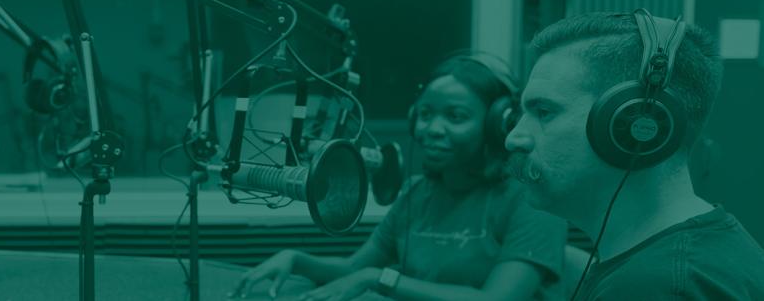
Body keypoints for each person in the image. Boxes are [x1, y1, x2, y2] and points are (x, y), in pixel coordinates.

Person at [231, 53, 569, 300]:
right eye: (425, 114)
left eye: (456, 116)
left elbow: (498, 300)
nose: (433, 128)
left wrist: (381, 279)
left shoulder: (531, 200)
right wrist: (296, 258)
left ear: (499, 125)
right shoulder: (418, 194)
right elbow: (354, 269)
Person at [505, 9, 764, 299]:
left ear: (632, 122)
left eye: (544, 112)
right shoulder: (689, 259)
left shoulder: (657, 286)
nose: (514, 138)